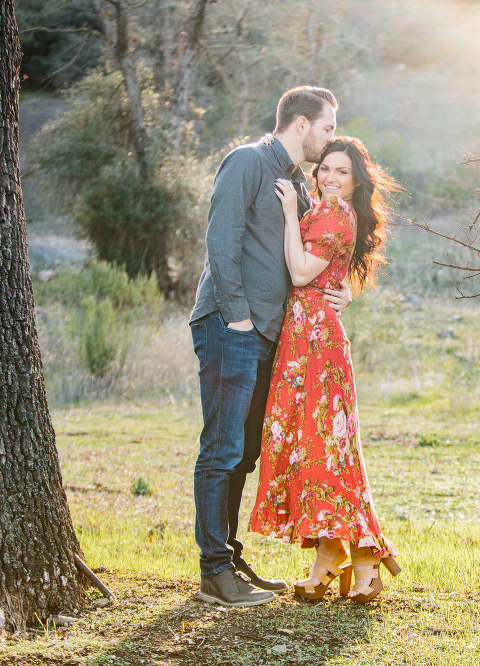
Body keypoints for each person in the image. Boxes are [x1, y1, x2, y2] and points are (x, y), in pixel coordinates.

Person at [188, 86, 352, 608]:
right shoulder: (247, 162)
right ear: (301, 124)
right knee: (222, 448)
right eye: (327, 128)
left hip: (268, 333)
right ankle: (213, 571)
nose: (329, 141)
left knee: (247, 452)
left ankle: (230, 559)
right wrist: (236, 317)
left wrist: (341, 287)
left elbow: (307, 254)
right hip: (229, 325)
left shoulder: (297, 183)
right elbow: (222, 243)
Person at [249, 137, 401, 603]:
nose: (330, 178)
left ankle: (364, 556)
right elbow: (324, 275)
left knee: (326, 449)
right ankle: (333, 553)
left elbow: (299, 273)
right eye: (325, 170)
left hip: (317, 347)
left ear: (357, 180)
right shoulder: (324, 210)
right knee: (312, 449)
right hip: (303, 342)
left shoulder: (332, 215)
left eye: (341, 172)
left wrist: (290, 213)